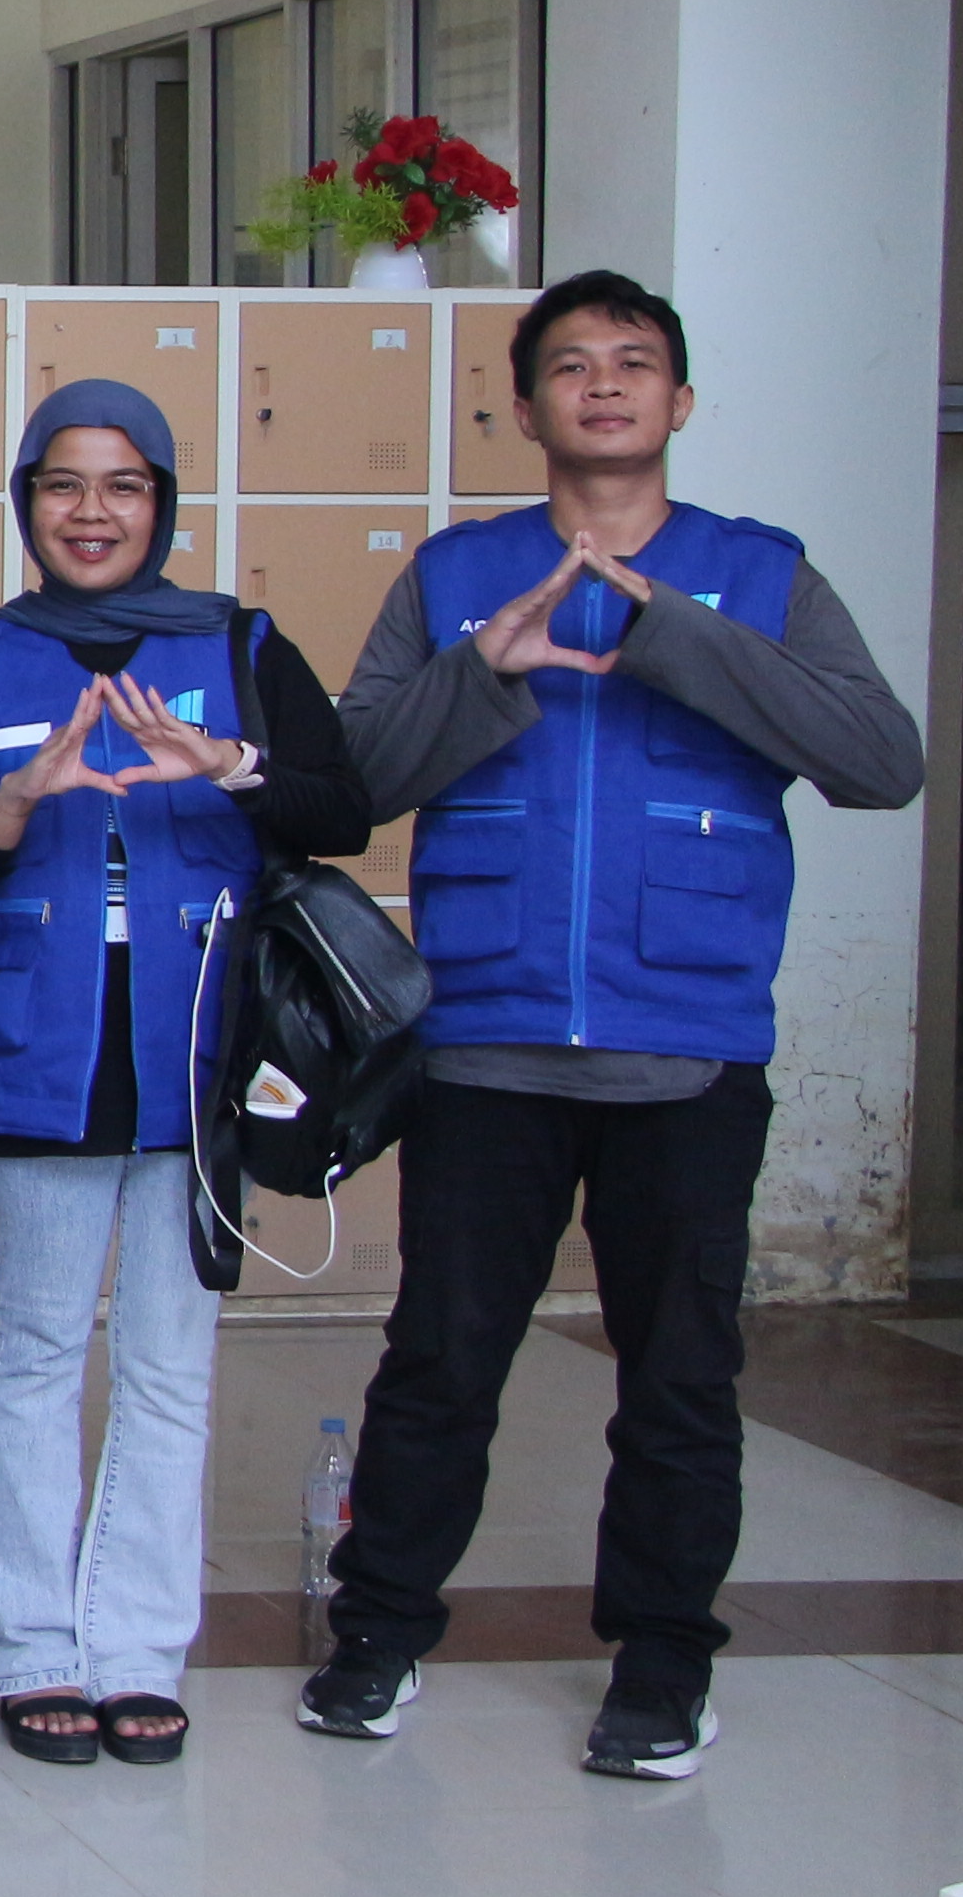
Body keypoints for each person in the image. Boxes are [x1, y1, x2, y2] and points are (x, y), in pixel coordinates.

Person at [303, 273, 925, 1779]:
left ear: (681, 403)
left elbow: (880, 762)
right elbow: (348, 782)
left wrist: (677, 638)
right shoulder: (458, 576)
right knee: (442, 1361)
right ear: (523, 410)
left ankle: (660, 1665)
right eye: (569, 367)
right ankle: (379, 1633)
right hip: (486, 1042)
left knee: (681, 1375)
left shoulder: (760, 576)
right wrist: (484, 672)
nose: (602, 387)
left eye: (633, 365)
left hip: (687, 1044)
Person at [0, 384, 370, 1770]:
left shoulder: (237, 645)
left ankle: (136, 1647)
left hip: (200, 1047)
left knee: (172, 1361)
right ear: (25, 501)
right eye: (64, 485)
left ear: (163, 503)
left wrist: (227, 763)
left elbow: (341, 809)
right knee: (40, 1351)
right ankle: (33, 1647)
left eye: (123, 486)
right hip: (34, 1046)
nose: (93, 512)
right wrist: (19, 801)